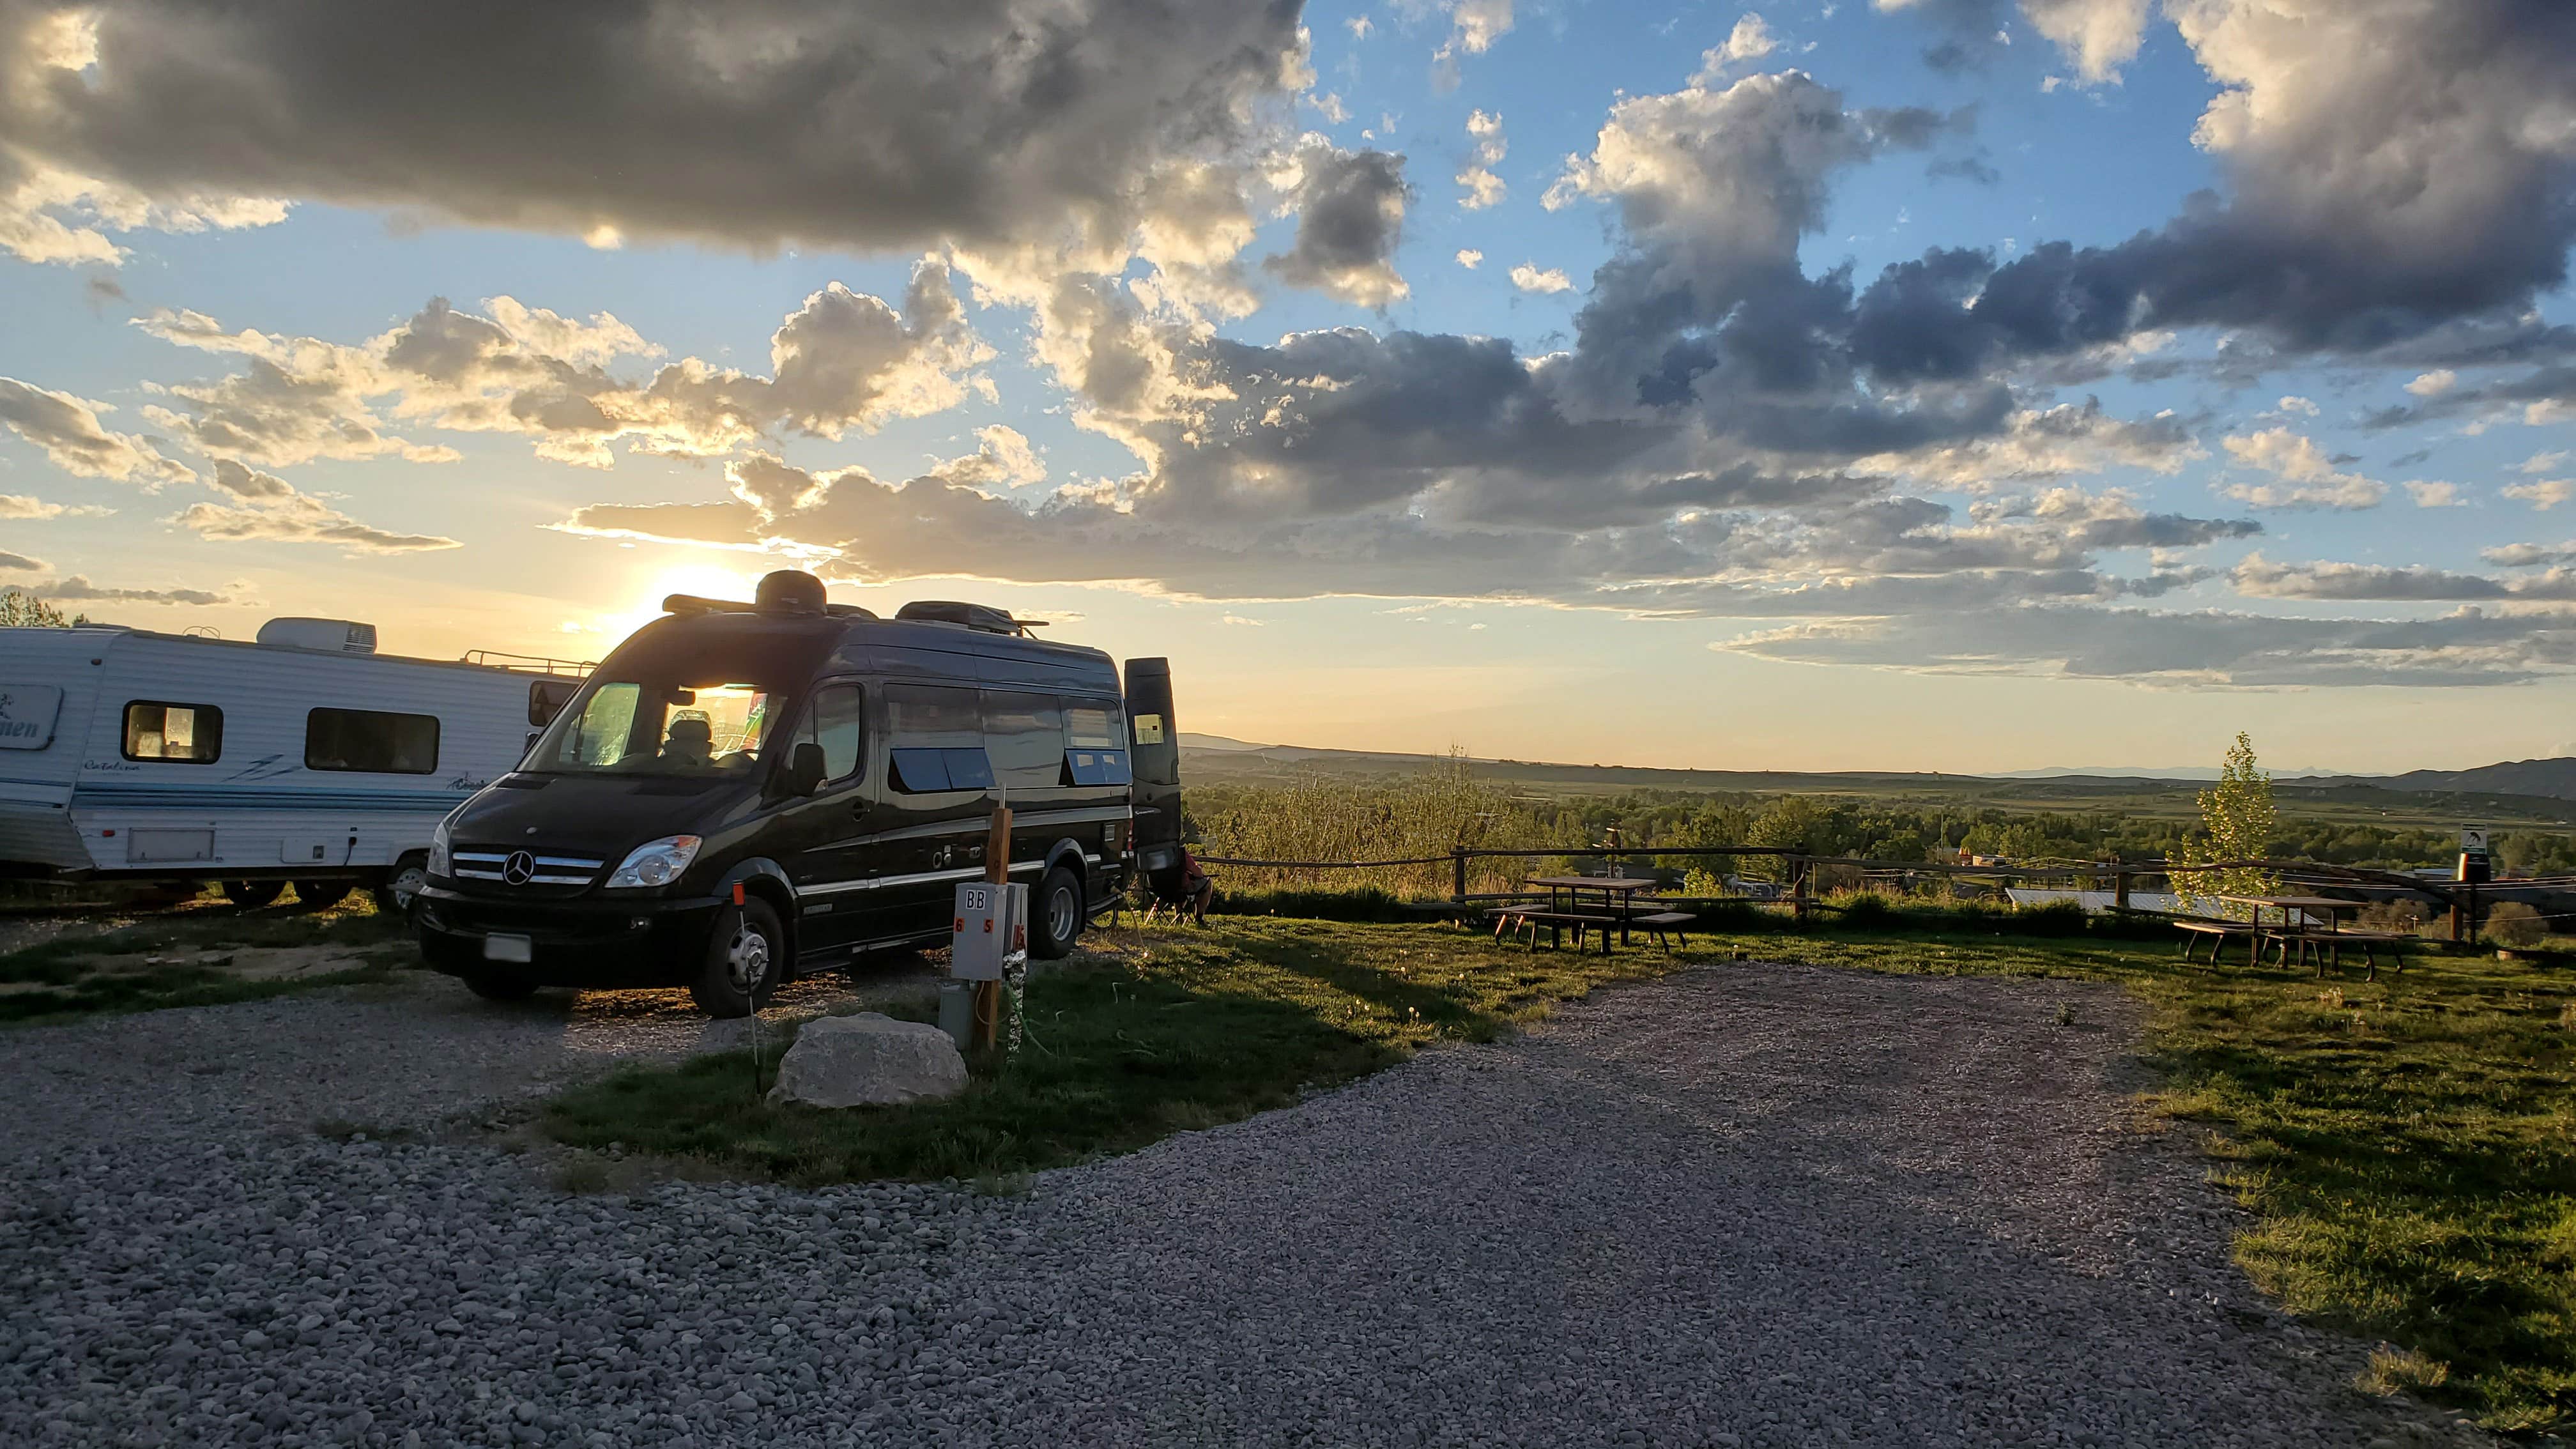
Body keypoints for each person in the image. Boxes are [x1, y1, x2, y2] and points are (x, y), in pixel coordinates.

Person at [1177, 845, 1215, 925]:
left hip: (1158, 888)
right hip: (1180, 889)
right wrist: (1198, 868)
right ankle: (1199, 918)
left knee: (1175, 883)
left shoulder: (1152, 850)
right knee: (1207, 883)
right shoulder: (1179, 852)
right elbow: (1198, 873)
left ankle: (1178, 916)